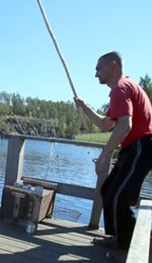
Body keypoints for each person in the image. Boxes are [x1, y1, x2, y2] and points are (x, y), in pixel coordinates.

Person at [74, 51, 152, 262]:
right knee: (109, 190)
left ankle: (128, 250)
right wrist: (85, 107)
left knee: (121, 197)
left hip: (141, 147)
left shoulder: (121, 88)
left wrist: (103, 155)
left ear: (113, 66)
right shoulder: (122, 88)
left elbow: (124, 126)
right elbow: (105, 124)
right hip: (133, 148)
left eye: (99, 68)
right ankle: (118, 238)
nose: (95, 73)